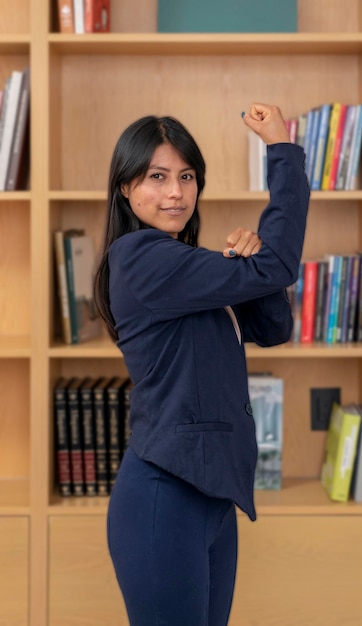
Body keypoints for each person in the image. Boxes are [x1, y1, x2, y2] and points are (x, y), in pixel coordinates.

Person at [94, 103, 309, 626]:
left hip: (211, 497)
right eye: (157, 176)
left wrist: (246, 265)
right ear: (125, 188)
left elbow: (271, 328)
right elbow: (279, 265)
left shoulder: (184, 266)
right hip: (164, 497)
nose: (176, 192)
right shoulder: (140, 258)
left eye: (187, 176)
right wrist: (281, 148)